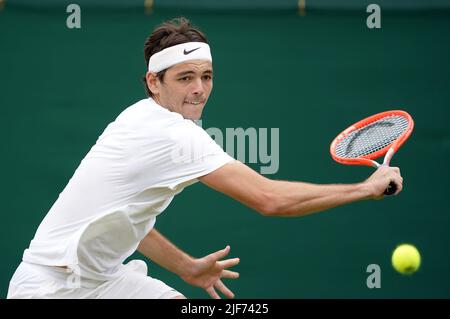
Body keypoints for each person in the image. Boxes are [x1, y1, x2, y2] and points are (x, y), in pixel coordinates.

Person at [7, 17, 403, 299]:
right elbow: (269, 199)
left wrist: (185, 267)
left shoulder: (141, 117)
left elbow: (128, 220)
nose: (199, 89)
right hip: (50, 289)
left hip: (104, 282)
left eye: (206, 76)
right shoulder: (168, 132)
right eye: (185, 77)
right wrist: (363, 189)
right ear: (153, 82)